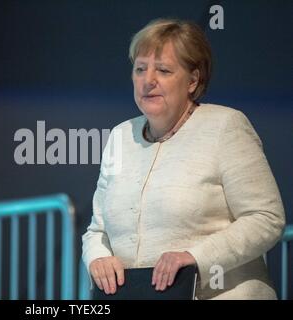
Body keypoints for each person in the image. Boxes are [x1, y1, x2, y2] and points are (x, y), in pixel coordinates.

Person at [82, 18, 285, 299]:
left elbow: (266, 218)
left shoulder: (225, 126)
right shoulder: (120, 136)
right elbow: (97, 230)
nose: (148, 80)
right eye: (140, 69)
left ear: (193, 80)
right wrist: (98, 257)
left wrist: (195, 256)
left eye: (163, 70)